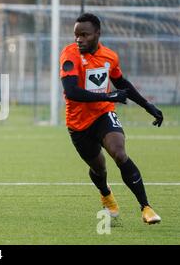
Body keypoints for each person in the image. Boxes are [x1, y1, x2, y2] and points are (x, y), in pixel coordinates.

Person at [59, 13, 164, 224]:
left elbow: (121, 83)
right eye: (76, 35)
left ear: (98, 34)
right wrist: (109, 95)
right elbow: (71, 92)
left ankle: (146, 207)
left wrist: (147, 106)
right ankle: (106, 194)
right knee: (99, 168)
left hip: (103, 114)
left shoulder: (110, 56)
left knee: (119, 153)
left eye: (85, 35)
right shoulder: (69, 56)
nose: (79, 39)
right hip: (78, 123)